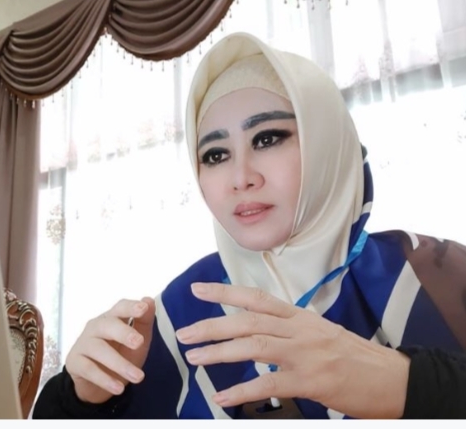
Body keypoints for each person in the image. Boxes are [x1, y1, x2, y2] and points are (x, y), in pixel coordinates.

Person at [32, 32, 466, 419]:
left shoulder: (428, 274)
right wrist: (84, 399)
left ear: (328, 144)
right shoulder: (185, 308)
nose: (240, 178)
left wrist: (405, 385)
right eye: (215, 155)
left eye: (268, 138)